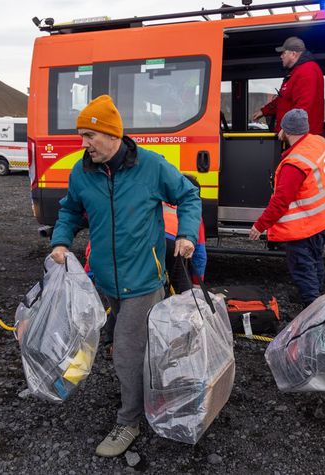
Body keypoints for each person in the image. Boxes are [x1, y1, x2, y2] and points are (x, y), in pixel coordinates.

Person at [49, 94, 202, 457]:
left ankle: (129, 420)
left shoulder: (151, 166)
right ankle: (157, 387)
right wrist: (60, 241)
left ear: (113, 135)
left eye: (90, 135)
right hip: (105, 280)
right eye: (81, 136)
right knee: (133, 344)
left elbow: (189, 195)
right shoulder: (81, 171)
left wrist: (186, 233)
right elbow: (70, 210)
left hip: (144, 278)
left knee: (126, 351)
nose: (83, 144)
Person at [248, 109, 325, 306]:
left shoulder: (295, 163)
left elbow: (280, 201)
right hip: (324, 221)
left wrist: (260, 226)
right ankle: (320, 304)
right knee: (315, 262)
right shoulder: (319, 142)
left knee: (303, 270)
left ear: (286, 130)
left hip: (305, 228)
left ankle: (313, 315)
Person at [252, 36, 324, 135]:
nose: (281, 56)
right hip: (293, 136)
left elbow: (302, 108)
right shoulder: (296, 72)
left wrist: (288, 130)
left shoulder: (307, 71)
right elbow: (284, 99)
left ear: (293, 54)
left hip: (300, 137)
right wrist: (264, 111)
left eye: (283, 53)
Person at [163, 174, 207, 294]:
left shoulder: (161, 202)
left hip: (153, 243)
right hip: (174, 245)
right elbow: (199, 254)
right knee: (184, 293)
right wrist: (197, 285)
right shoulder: (193, 214)